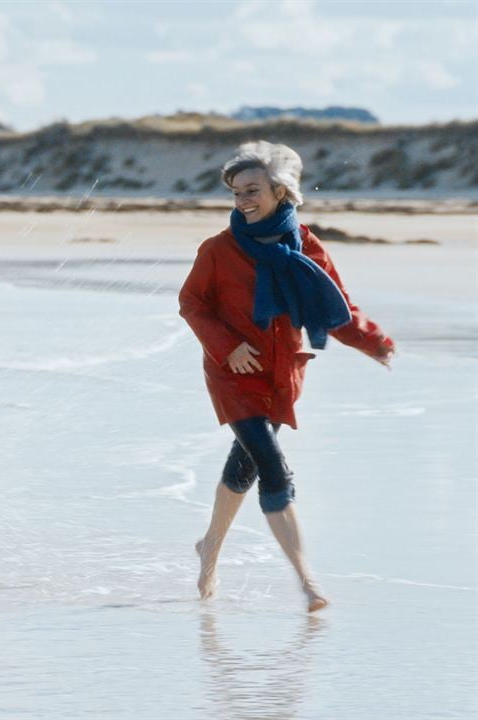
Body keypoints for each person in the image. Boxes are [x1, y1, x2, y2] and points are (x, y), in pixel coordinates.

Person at [178, 141, 394, 611]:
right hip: (233, 373)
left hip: (282, 372)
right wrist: (227, 346)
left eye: (251, 190)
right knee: (275, 469)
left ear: (280, 190)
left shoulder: (306, 244)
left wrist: (374, 342)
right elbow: (191, 303)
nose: (242, 201)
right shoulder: (218, 250)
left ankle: (210, 546)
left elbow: (336, 304)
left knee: (247, 464)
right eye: (236, 193)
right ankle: (308, 582)